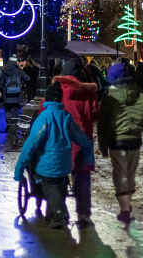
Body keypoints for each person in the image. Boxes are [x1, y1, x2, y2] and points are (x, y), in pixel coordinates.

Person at [14, 82, 94, 229]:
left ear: (47, 99)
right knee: (59, 190)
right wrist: (88, 158)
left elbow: (30, 145)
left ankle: (60, 215)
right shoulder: (67, 118)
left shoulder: (44, 118)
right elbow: (84, 141)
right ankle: (53, 215)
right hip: (64, 167)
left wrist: (19, 171)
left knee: (52, 189)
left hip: (46, 167)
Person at [98, 62, 143, 226]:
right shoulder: (141, 94)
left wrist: (103, 146)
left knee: (121, 174)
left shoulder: (109, 96)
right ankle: (126, 205)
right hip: (135, 139)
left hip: (117, 139)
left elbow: (102, 123)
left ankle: (125, 210)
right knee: (130, 174)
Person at [46, 59, 99, 228]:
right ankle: (83, 213)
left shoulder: (57, 90)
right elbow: (94, 114)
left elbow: (45, 110)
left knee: (59, 176)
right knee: (82, 178)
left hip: (59, 141)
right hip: (82, 139)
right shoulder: (88, 92)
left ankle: (59, 212)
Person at [1, 55, 30, 126]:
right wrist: (21, 82)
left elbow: (1, 82)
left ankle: (8, 123)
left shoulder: (5, 70)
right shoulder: (19, 71)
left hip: (7, 93)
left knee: (7, 109)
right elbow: (28, 78)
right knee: (15, 109)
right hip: (16, 93)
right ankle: (14, 124)